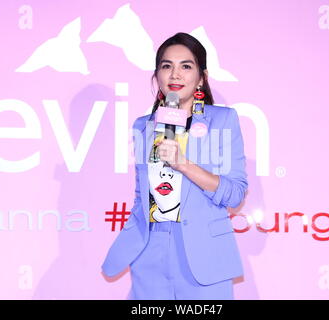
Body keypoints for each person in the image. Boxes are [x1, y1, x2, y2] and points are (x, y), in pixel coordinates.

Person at [102, 32, 248, 300]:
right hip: (151, 254)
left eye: (186, 66)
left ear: (201, 77)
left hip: (204, 256)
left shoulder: (223, 120)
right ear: (157, 75)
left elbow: (235, 193)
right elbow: (142, 196)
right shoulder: (143, 126)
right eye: (167, 66)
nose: (175, 75)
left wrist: (183, 164)